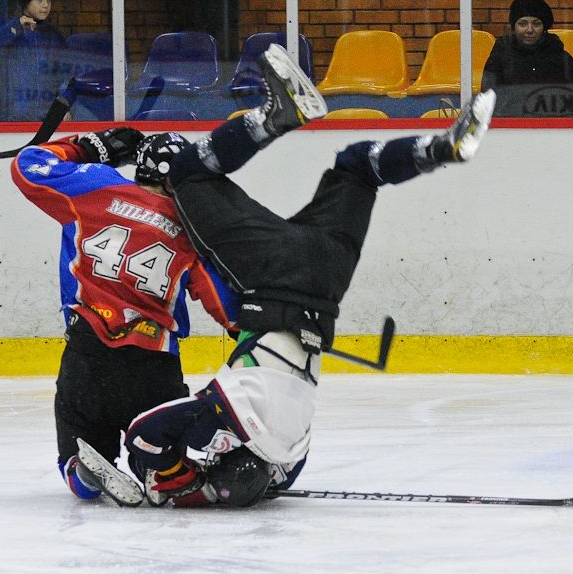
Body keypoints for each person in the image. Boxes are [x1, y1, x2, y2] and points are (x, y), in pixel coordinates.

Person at [73, 44, 496, 507]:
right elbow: (144, 438)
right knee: (205, 171)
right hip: (277, 276)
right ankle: (428, 144)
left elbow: (248, 479)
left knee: (344, 170)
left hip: (326, 279)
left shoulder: (290, 457)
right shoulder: (233, 425)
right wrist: (177, 482)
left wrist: (192, 485)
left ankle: (415, 144)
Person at [10, 120, 238, 501]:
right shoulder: (190, 227)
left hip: (88, 351)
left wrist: (88, 147)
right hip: (155, 365)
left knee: (77, 449)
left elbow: (28, 165)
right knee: (161, 449)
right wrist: (251, 329)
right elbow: (222, 303)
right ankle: (161, 471)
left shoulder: (95, 184)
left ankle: (82, 475)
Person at [481, 0, 573, 117]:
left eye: (536, 24)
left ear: (544, 27)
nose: (529, 29)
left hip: (554, 130)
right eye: (522, 24)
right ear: (513, 27)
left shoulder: (561, 58)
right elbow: (487, 99)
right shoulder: (500, 57)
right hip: (510, 129)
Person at [0, 0, 66, 121]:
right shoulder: (10, 29)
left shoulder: (53, 36)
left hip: (47, 119)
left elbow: (66, 76)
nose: (46, 5)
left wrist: (63, 107)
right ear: (26, 1)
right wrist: (16, 26)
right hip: (13, 118)